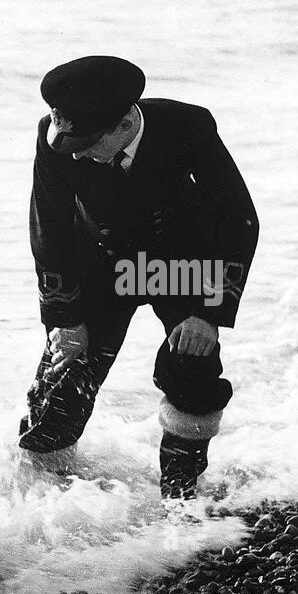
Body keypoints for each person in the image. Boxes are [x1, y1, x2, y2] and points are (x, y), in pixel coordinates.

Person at [17, 55, 259, 503]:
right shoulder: (55, 138)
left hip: (180, 263)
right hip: (100, 261)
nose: (76, 153)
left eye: (88, 143)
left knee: (195, 372)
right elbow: (48, 227)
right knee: (64, 375)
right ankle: (41, 499)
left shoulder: (188, 125)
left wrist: (209, 313)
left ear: (125, 123)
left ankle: (181, 502)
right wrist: (64, 318)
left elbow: (238, 218)